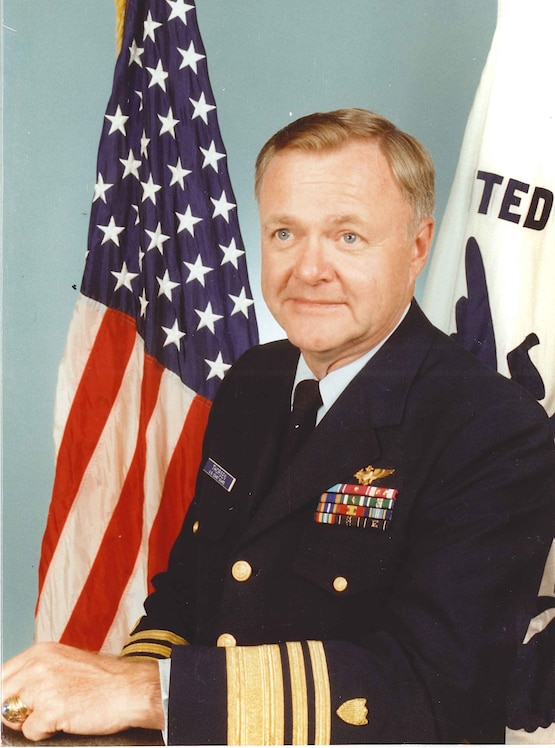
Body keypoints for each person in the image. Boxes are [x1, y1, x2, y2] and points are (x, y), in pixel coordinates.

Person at [2, 108, 554, 744]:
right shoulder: (255, 383)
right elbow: (188, 593)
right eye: (285, 233)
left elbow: (436, 685)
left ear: (418, 246)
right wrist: (123, 713)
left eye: (348, 237)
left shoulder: (490, 428)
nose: (309, 269)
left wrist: (147, 693)